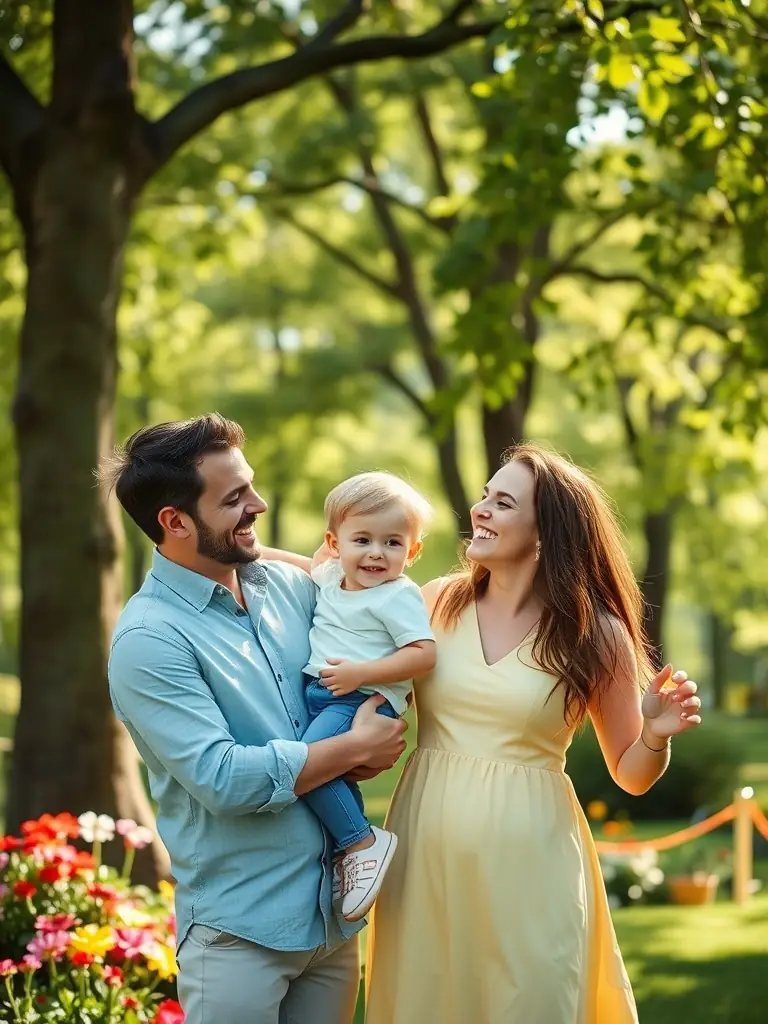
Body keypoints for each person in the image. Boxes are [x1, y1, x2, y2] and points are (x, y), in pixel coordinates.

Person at [364, 443, 703, 1024]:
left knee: (534, 999)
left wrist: (655, 734)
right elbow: (331, 591)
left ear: (544, 532)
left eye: (502, 502)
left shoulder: (595, 635)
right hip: (425, 847)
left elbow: (633, 773)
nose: (479, 511)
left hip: (533, 859)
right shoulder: (432, 603)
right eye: (483, 497)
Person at [102, 414, 407, 1024]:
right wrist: (350, 750)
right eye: (235, 498)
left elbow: (371, 630)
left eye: (252, 487)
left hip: (332, 921)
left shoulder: (288, 589)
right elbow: (224, 778)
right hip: (240, 936)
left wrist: (367, 744)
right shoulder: (150, 639)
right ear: (175, 522)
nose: (258, 505)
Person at [262, 472, 436, 922]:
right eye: (362, 539)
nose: (376, 552)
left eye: (393, 543)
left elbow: (423, 654)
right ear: (335, 543)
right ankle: (352, 849)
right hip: (323, 694)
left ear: (412, 552)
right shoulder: (333, 575)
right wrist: (251, 551)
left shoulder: (397, 596)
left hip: (360, 699)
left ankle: (361, 842)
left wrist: (364, 672)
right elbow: (302, 566)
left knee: (309, 767)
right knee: (329, 772)